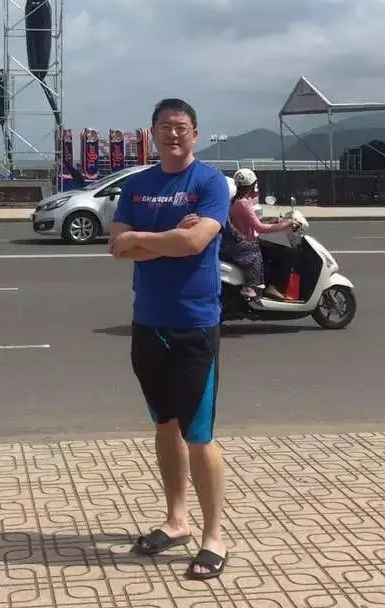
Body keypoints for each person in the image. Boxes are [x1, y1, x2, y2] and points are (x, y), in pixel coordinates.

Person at [107, 97, 232, 582]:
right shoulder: (137, 185)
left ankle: (213, 536)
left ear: (194, 134)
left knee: (199, 435)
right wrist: (168, 239)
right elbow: (117, 247)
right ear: (152, 133)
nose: (173, 134)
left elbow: (195, 242)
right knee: (165, 425)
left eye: (181, 127)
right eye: (164, 126)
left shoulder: (209, 183)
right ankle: (177, 521)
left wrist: (145, 240)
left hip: (194, 325)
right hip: (148, 324)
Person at [221, 168, 293, 300]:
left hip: (240, 241)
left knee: (274, 252)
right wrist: (286, 224)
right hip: (245, 245)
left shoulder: (236, 201)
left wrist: (273, 221)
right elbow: (260, 228)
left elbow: (249, 222)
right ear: (252, 185)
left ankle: (268, 285)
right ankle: (273, 288)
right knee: (286, 253)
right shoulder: (244, 203)